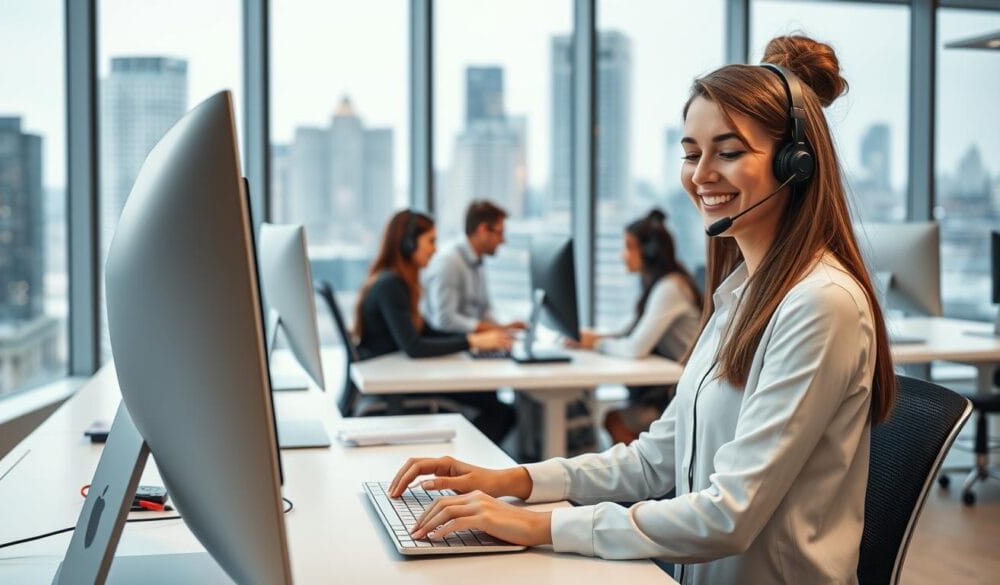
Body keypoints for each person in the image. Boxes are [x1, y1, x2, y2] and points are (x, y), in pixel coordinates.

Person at [386, 35, 897, 585]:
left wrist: (541, 526)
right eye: (690, 153)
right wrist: (511, 483)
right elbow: (654, 459)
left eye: (727, 152)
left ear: (796, 164)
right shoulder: (740, 296)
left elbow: (729, 515)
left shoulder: (820, 304)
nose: (701, 174)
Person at [354, 209, 517, 443]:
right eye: (430, 241)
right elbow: (414, 346)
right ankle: (469, 460)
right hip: (396, 388)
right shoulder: (390, 285)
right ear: (409, 244)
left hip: (400, 376)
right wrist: (472, 341)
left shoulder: (397, 281)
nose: (435, 249)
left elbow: (424, 332)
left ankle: (471, 461)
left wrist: (476, 339)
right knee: (500, 411)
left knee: (491, 401)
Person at [568, 208, 703, 444]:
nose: (623, 255)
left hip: (684, 396)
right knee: (612, 417)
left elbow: (634, 349)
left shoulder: (670, 288)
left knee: (614, 419)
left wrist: (598, 343)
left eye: (628, 247)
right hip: (669, 389)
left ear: (649, 252)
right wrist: (591, 338)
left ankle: (646, 477)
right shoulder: (656, 284)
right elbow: (627, 330)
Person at [421, 200, 525, 334]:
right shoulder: (449, 261)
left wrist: (505, 330)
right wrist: (500, 329)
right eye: (500, 233)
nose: (503, 240)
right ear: (483, 230)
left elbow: (484, 311)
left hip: (470, 342)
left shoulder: (478, 261)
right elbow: (445, 321)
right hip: (449, 346)